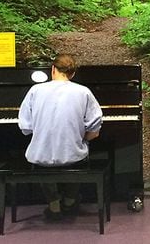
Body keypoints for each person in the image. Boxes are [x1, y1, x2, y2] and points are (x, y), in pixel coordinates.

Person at [17, 54, 103, 221]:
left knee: (42, 157)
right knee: (79, 154)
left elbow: (26, 127)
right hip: (73, 157)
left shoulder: (35, 90)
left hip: (41, 158)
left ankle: (53, 204)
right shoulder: (83, 92)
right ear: (73, 74)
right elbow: (95, 131)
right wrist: (78, 139)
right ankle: (70, 201)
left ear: (53, 69)